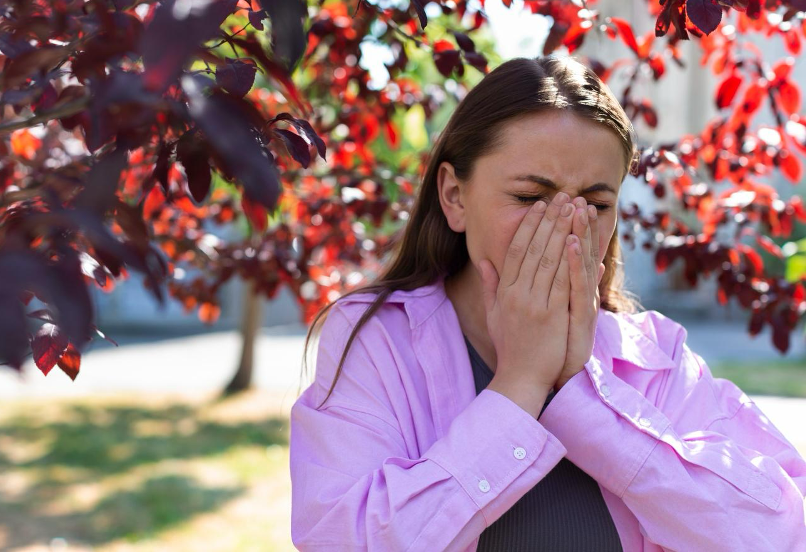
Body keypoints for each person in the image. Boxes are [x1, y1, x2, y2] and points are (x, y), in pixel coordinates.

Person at [288, 55, 806, 551]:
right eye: (530, 198)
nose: (568, 228)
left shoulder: (656, 357)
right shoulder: (376, 339)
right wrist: (519, 386)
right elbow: (342, 538)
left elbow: (783, 533)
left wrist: (585, 400)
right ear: (454, 196)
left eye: (597, 205)